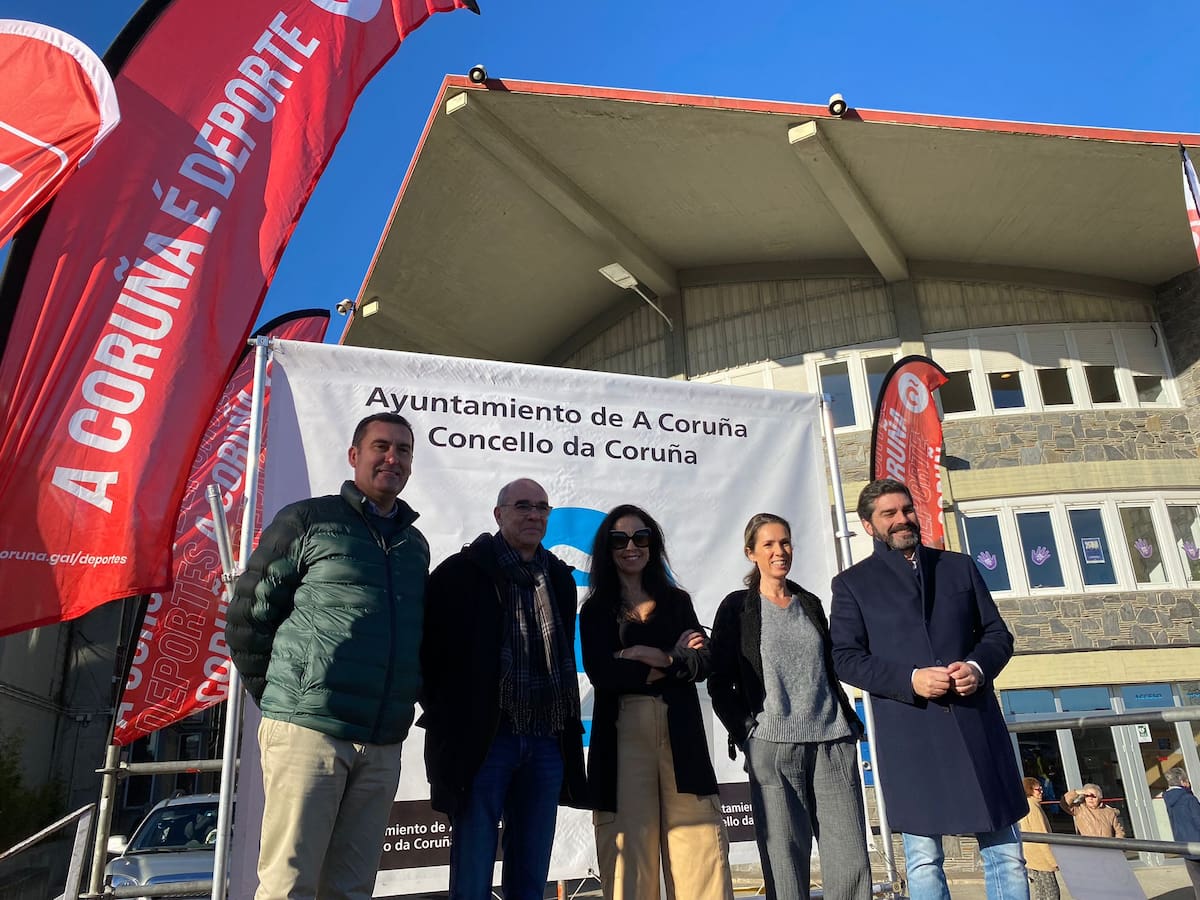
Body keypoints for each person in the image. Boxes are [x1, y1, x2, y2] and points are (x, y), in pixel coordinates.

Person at [226, 412, 427, 900]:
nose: (392, 458)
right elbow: (249, 618)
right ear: (355, 456)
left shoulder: (414, 545)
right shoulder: (308, 520)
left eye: (403, 450)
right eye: (381, 446)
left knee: (352, 889)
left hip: (381, 742)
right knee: (288, 885)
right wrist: (286, 699)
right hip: (309, 732)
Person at [829, 478, 1029, 900]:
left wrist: (977, 666)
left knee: (1006, 854)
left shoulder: (958, 566)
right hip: (912, 734)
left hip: (976, 725)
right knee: (923, 861)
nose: (902, 519)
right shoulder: (852, 584)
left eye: (906, 510)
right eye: (889, 513)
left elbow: (997, 635)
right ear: (868, 525)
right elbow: (844, 657)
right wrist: (911, 679)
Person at [420, 478, 587, 900]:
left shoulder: (559, 579)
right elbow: (427, 655)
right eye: (523, 506)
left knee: (531, 873)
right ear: (499, 514)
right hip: (485, 742)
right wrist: (452, 717)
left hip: (546, 739)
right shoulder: (460, 574)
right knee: (473, 872)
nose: (534, 515)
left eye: (542, 507)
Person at [709, 512, 872, 900]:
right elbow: (719, 682)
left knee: (851, 860)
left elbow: (829, 670)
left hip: (833, 739)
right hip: (773, 746)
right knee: (784, 859)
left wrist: (849, 723)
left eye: (785, 543)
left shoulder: (810, 603)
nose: (779, 551)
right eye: (768, 544)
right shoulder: (737, 609)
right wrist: (748, 731)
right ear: (751, 553)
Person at [579, 504, 733, 900]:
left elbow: (703, 661)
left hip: (681, 734)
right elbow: (604, 674)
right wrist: (673, 657)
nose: (631, 547)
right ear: (606, 549)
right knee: (630, 857)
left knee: (700, 854)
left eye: (640, 537)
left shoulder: (677, 601)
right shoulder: (595, 610)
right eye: (620, 539)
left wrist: (653, 656)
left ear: (653, 544)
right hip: (623, 737)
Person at [1018, 777, 1059, 900]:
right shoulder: (1033, 808)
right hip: (1041, 858)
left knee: (1041, 893)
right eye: (1037, 789)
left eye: (1041, 788)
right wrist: (1053, 860)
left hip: (1032, 857)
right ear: (1029, 790)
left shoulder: (1027, 805)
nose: (1041, 791)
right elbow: (1041, 835)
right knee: (1051, 893)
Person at [1164, 767, 1200, 898]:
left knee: (1197, 883)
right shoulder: (1189, 799)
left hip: (1184, 846)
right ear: (1183, 781)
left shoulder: (1169, 800)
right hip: (1198, 844)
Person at [1060, 784, 1124, 838]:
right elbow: (1064, 803)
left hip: (1108, 848)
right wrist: (1078, 792)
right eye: (1087, 796)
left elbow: (1119, 832)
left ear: (1100, 798)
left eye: (1093, 796)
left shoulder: (1109, 812)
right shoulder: (1079, 809)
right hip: (1088, 848)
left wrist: (1118, 849)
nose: (1090, 798)